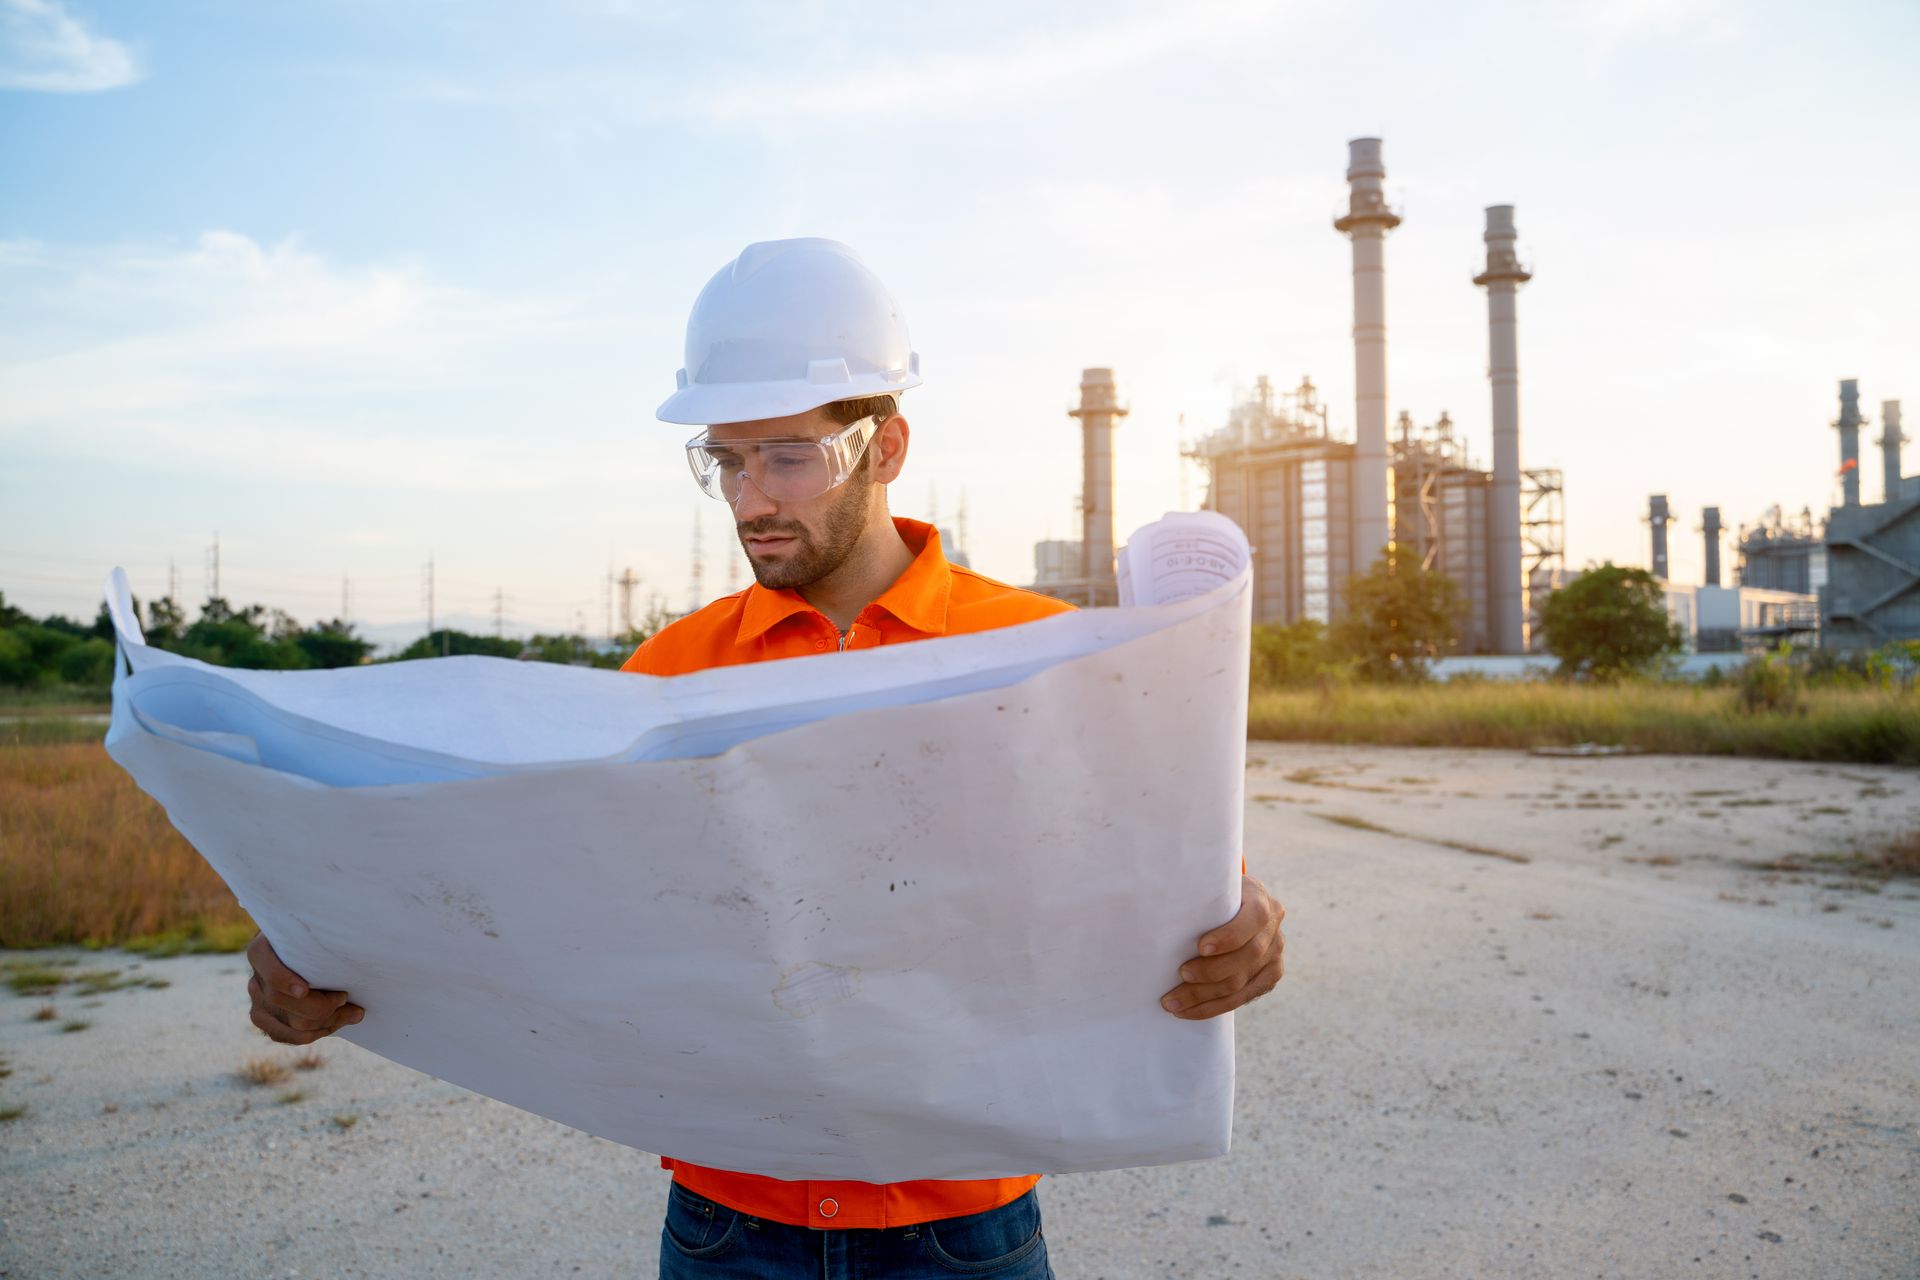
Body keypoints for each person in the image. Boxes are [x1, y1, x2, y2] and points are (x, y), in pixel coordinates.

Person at [245, 238, 1286, 1279]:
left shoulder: (1041, 652)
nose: (751, 502)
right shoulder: (668, 672)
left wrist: (1245, 923)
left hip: (964, 1232)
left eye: (789, 456)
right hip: (728, 1230)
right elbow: (526, 895)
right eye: (727, 461)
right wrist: (331, 950)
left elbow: (1172, 884)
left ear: (886, 447)